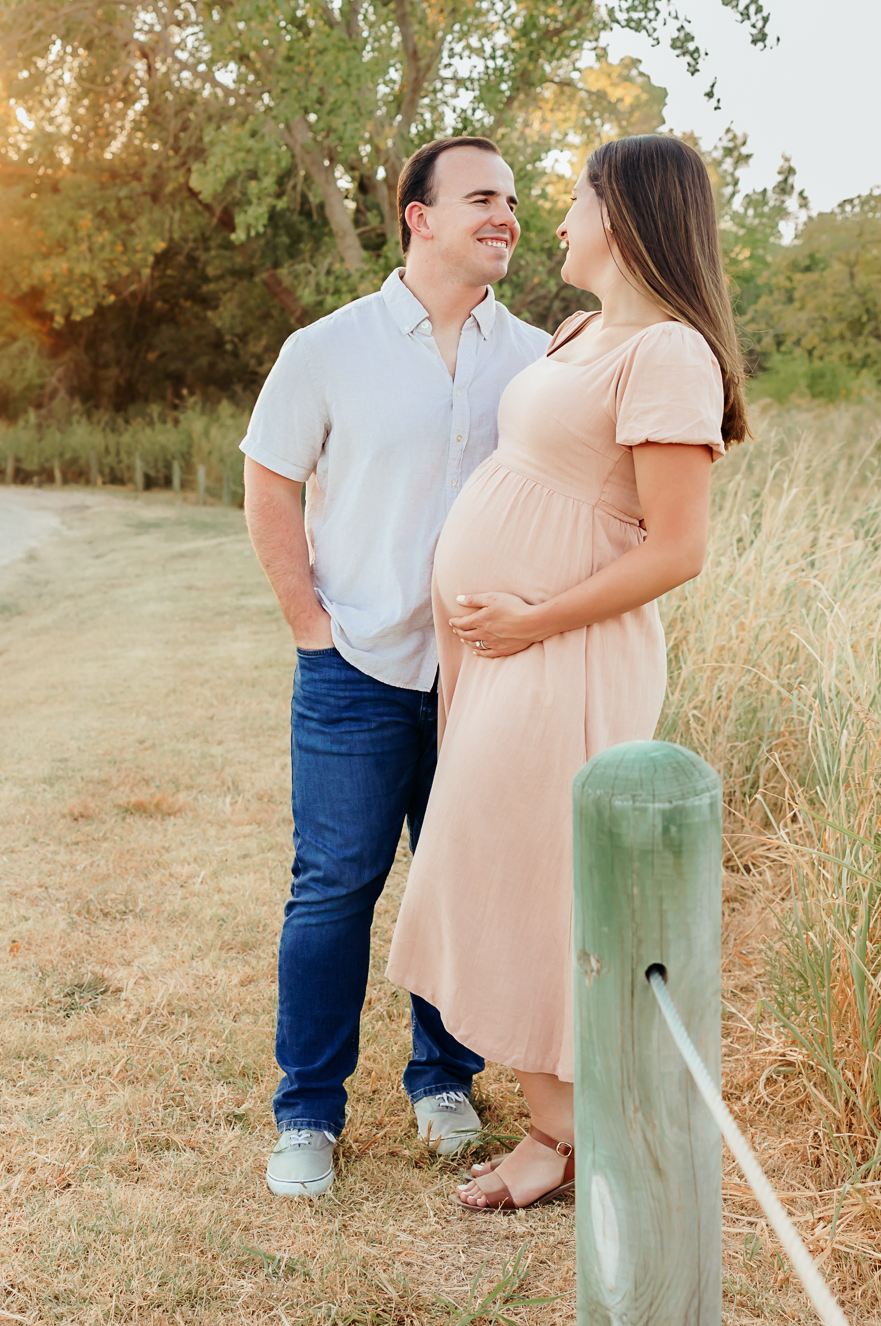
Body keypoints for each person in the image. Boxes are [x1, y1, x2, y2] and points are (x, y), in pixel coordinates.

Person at [385, 134, 751, 1211]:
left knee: (532, 880)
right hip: (508, 652)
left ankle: (558, 1138)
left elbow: (675, 549)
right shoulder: (584, 333)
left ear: (625, 214)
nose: (555, 220)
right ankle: (561, 1118)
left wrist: (533, 618)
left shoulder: (668, 355)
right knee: (498, 866)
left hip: (567, 657)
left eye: (576, 198)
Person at [241, 136, 554, 1198]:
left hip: (485, 672)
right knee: (333, 887)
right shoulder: (326, 348)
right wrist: (307, 624)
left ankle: (443, 1080)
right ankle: (306, 1114)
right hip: (357, 664)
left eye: (511, 200)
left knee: (459, 880)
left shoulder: (537, 359)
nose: (504, 215)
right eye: (480, 198)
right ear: (416, 216)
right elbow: (271, 484)